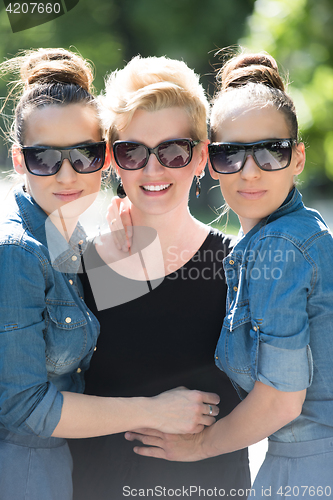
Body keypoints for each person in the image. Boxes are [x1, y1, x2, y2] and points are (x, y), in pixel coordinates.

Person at [0, 48, 219, 500]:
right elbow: (24, 408)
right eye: (45, 159)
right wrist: (155, 412)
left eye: (84, 154)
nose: (67, 174)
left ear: (103, 159)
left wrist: (129, 240)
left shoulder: (71, 240)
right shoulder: (16, 251)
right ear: (20, 161)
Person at [125, 52, 333, 498]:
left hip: (308, 472)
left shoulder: (282, 247)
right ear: (210, 161)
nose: (250, 171)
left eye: (271, 151)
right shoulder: (252, 248)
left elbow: (280, 398)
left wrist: (200, 446)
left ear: (297, 158)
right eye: (230, 154)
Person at [69, 55, 251, 500]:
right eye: (133, 151)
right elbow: (39, 402)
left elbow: (283, 398)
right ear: (112, 159)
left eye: (172, 151)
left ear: (201, 157)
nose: (153, 170)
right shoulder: (79, 268)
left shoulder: (239, 265)